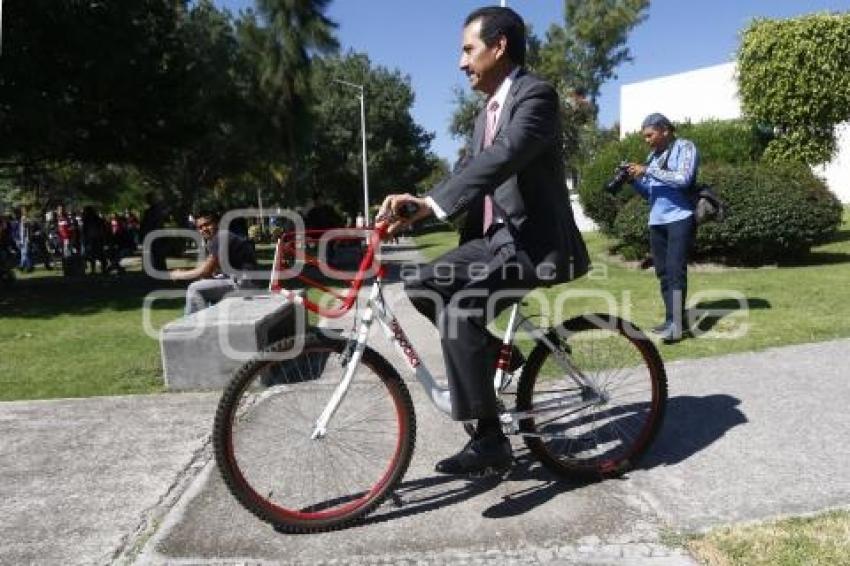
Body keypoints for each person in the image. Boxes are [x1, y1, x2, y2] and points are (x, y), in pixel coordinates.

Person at [378, 7, 590, 476]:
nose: (460, 62)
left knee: (459, 311)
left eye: (467, 49)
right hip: (495, 241)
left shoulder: (536, 96)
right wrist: (418, 210)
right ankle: (501, 355)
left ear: (499, 47)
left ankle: (491, 442)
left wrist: (433, 204)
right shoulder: (484, 115)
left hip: (534, 245)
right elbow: (468, 173)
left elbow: (504, 156)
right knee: (422, 285)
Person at [625, 113, 699, 343]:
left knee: (676, 271)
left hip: (679, 217)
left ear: (665, 130)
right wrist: (633, 180)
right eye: (644, 136)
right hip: (657, 220)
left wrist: (647, 170)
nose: (647, 140)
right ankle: (671, 320)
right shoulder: (653, 156)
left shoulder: (685, 147)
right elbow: (650, 193)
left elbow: (683, 178)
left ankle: (677, 327)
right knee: (664, 273)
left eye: (650, 135)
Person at [169, 211, 259, 315]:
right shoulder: (218, 239)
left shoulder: (221, 237)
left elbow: (205, 270)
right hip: (242, 282)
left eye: (207, 224)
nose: (204, 229)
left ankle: (189, 327)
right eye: (200, 227)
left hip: (244, 285)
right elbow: (211, 268)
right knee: (204, 284)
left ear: (217, 224)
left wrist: (180, 275)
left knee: (194, 289)